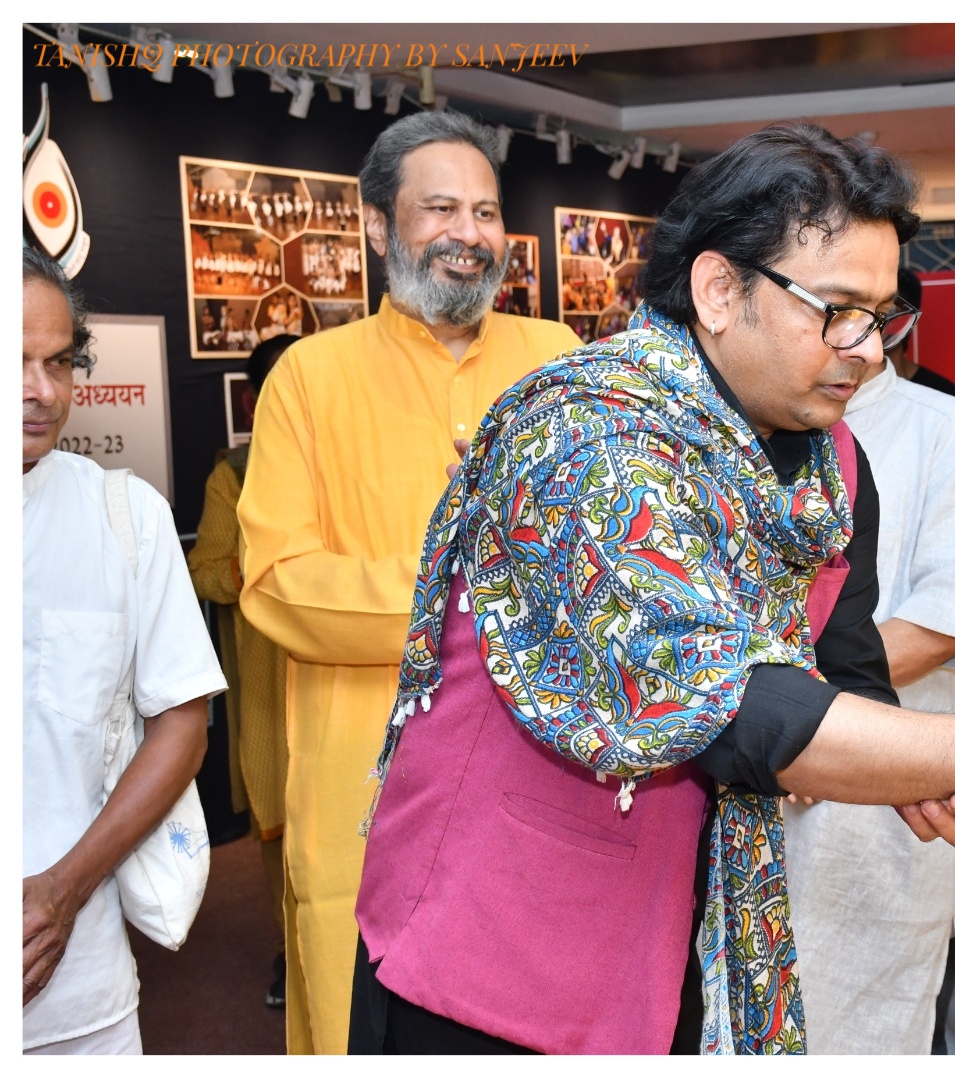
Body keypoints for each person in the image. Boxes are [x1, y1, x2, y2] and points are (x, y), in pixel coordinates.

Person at [348, 122, 955, 1056]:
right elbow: (734, 706)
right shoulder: (592, 438)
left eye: (880, 317)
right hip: (497, 944)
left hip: (686, 933)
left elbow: (844, 662)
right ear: (718, 290)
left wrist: (920, 770)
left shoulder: (825, 459)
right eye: (836, 310)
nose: (865, 350)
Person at [236, 110, 583, 1054]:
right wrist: (473, 594)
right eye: (439, 209)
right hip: (366, 781)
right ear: (377, 226)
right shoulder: (309, 378)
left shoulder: (559, 361)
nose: (468, 233)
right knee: (364, 1029)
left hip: (537, 773)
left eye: (486, 211)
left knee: (532, 1012)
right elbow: (277, 581)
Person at [781, 286, 955, 1053]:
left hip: (899, 775)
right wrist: (777, 722)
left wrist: (795, 714)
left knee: (898, 1002)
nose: (851, 341)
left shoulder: (941, 428)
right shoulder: (742, 426)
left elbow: (942, 623)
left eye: (866, 318)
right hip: (765, 768)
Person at [23, 246, 227, 1053]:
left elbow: (181, 725)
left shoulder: (125, 516)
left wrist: (62, 891)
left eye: (58, 362)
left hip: (79, 986)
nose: (42, 391)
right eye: (15, 363)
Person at [187, 333, 300, 1009]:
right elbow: (204, 570)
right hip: (267, 688)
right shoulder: (232, 473)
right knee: (281, 828)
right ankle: (293, 952)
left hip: (353, 682)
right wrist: (260, 571)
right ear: (254, 402)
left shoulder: (347, 456)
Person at [884, 267, 955, 401]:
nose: (876, 320)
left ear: (911, 320)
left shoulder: (945, 395)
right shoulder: (851, 390)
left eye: (887, 311)